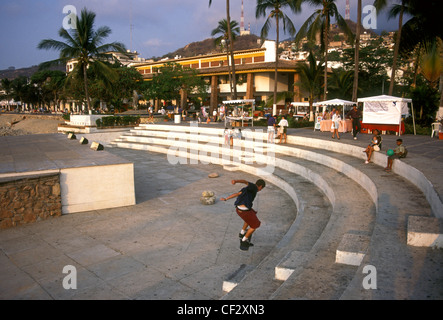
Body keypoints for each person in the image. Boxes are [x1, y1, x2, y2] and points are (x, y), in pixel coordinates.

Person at [220, 179, 266, 251]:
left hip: (238, 209)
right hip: (244, 211)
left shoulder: (246, 189)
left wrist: (226, 199)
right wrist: (236, 181)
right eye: (261, 188)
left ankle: (242, 233)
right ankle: (244, 240)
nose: (260, 190)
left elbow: (237, 194)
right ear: (260, 186)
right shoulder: (254, 187)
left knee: (252, 214)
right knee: (256, 225)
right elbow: (245, 181)